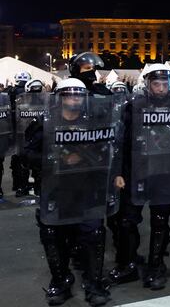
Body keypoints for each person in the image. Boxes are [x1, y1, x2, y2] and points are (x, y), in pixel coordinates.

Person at [109, 64, 170, 290]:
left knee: (161, 221)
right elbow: (120, 141)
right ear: (147, 84)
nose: (160, 89)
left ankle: (156, 266)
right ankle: (128, 264)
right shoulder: (134, 106)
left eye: (164, 84)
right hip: (137, 170)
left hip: (166, 172)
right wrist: (118, 172)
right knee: (128, 220)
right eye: (156, 84)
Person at [32, 78, 118, 306]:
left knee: (94, 233)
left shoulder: (95, 123)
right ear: (59, 98)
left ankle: (94, 282)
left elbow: (108, 149)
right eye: (69, 94)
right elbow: (28, 153)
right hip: (57, 189)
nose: (74, 98)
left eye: (79, 94)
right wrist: (58, 158)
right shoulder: (45, 123)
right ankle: (60, 281)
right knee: (53, 235)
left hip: (88, 187)